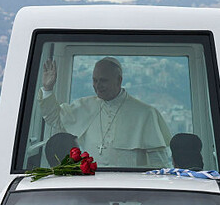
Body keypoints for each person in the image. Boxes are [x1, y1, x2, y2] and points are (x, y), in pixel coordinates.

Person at [40, 56, 172, 167]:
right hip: (92, 184)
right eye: (95, 80)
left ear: (119, 80)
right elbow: (55, 118)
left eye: (103, 80)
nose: (97, 85)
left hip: (130, 189)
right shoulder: (84, 106)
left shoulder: (145, 113)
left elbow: (159, 164)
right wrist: (47, 88)